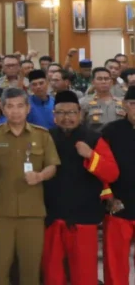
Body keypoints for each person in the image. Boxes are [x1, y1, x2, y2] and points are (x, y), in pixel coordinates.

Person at [0, 88, 60, 285]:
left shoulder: (42, 135)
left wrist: (40, 176)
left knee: (31, 270)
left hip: (32, 213)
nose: (15, 111)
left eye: (19, 106)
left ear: (27, 108)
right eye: (9, 106)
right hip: (0, 212)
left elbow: (52, 166)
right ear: (2, 108)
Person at [43, 90, 119, 285]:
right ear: (54, 115)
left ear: (80, 114)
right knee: (52, 273)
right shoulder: (45, 137)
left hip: (84, 217)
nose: (66, 117)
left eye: (71, 112)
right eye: (60, 113)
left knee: (84, 274)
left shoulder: (93, 138)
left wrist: (91, 156)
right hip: (52, 216)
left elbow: (112, 173)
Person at [101, 85, 135, 284]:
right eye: (132, 104)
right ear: (124, 105)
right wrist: (109, 197)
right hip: (118, 205)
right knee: (115, 261)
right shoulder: (111, 131)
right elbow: (102, 169)